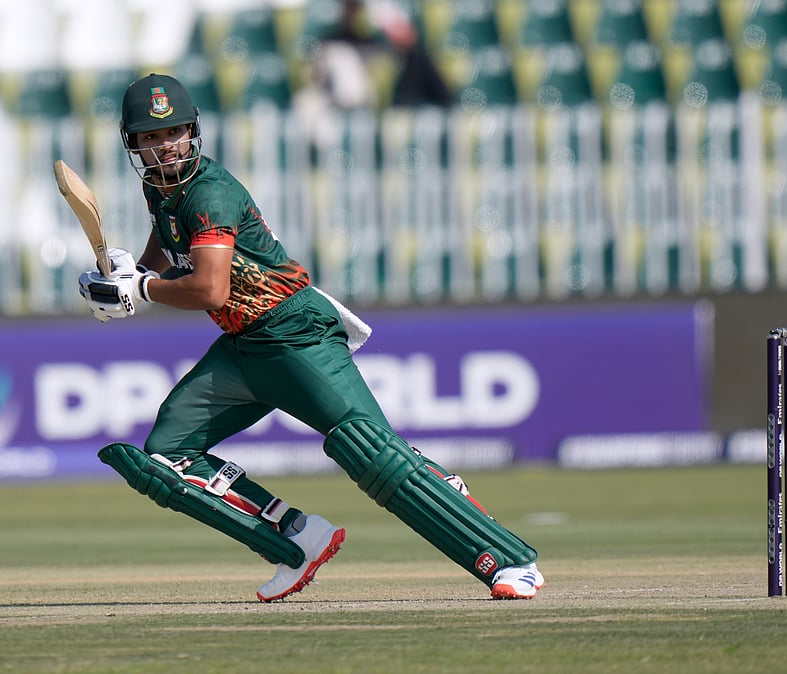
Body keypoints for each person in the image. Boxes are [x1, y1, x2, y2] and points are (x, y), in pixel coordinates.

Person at [77, 73, 543, 602]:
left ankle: (508, 560)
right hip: (242, 348)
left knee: (372, 455)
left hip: (296, 335)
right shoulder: (161, 190)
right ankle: (296, 540)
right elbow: (169, 236)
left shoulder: (209, 192)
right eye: (152, 137)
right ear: (133, 144)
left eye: (174, 133)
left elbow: (209, 288)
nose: (165, 145)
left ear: (192, 132)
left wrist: (142, 289)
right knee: (167, 456)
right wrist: (130, 270)